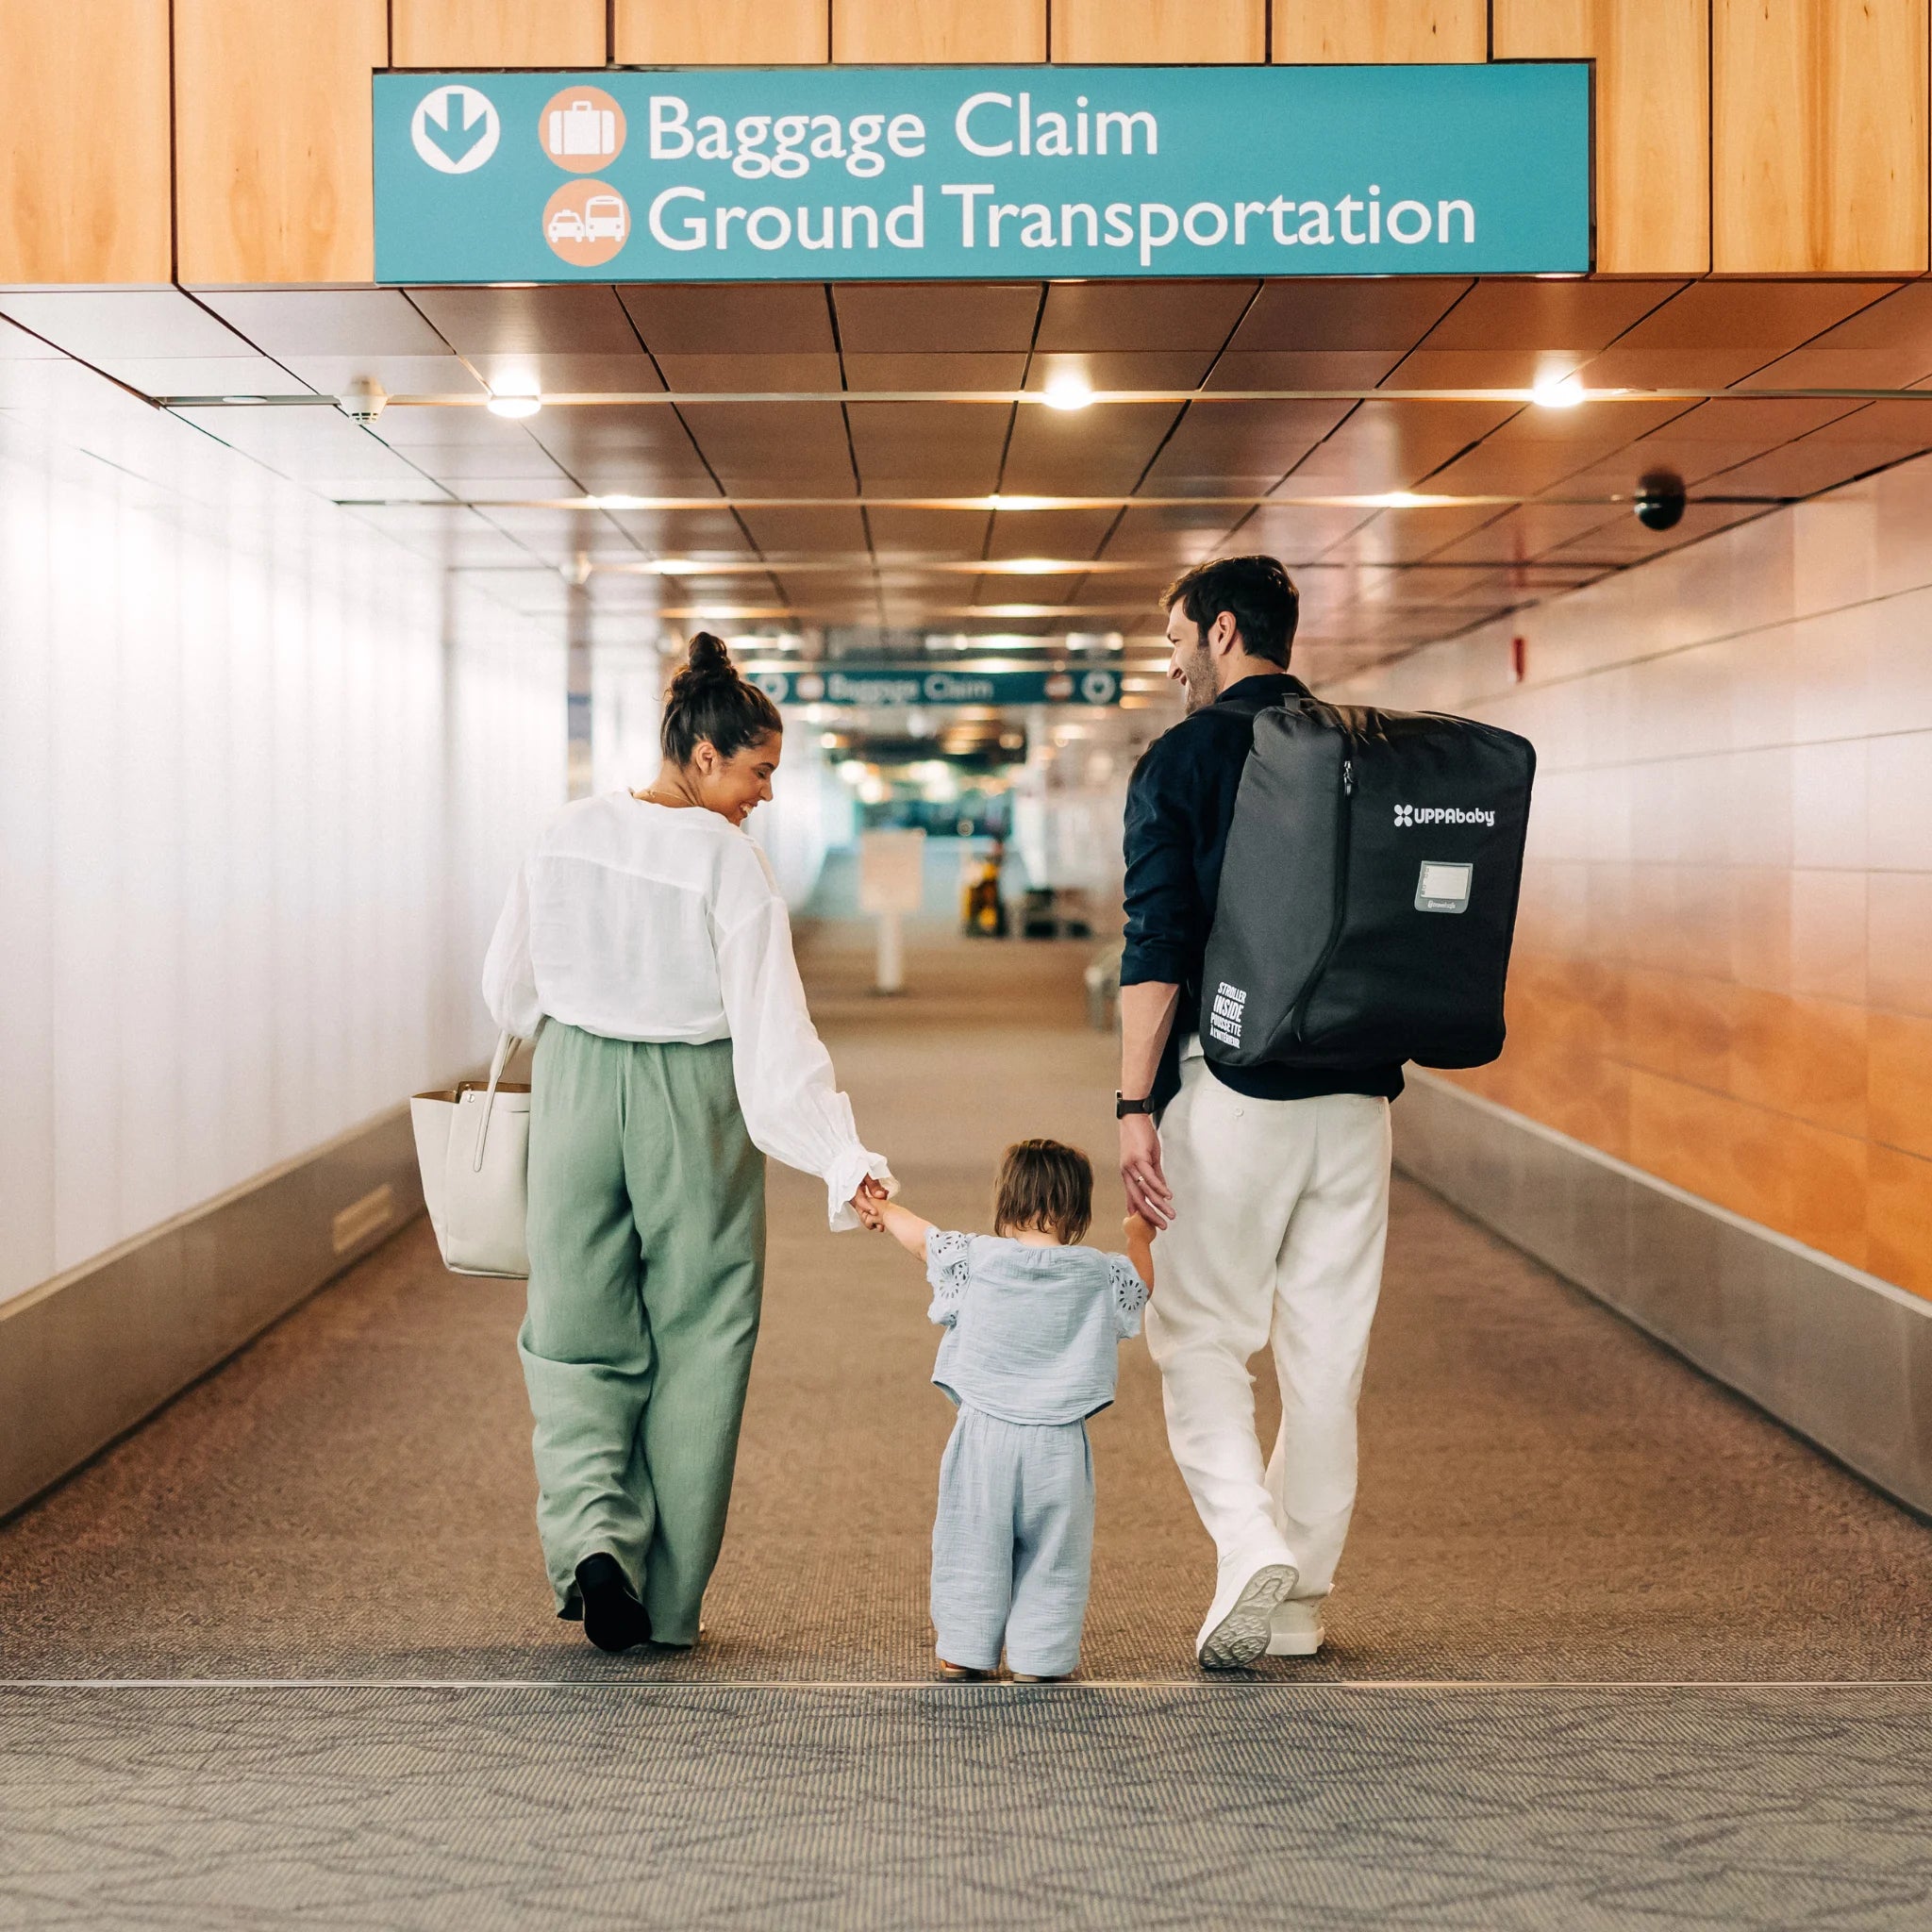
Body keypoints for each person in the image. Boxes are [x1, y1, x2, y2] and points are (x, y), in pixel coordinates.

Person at [482, 633, 892, 1655]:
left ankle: (592, 1541)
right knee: (702, 1331)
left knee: (573, 1327)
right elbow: (771, 1033)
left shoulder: (563, 830)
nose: (763, 792)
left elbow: (505, 989)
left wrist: (588, 1017)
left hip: (574, 1081)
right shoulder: (726, 859)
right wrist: (840, 1155)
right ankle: (663, 1604)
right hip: (692, 1096)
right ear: (702, 754)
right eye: (758, 770)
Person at [1115, 556, 1403, 1671]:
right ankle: (1301, 1599)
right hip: (1358, 1094)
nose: (1169, 653)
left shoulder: (1185, 757)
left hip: (1230, 1087)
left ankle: (1246, 1546)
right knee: (1325, 1350)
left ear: (1221, 630)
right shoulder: (1360, 750)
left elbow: (1155, 940)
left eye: (1174, 632)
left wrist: (1135, 1098)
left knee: (1197, 1332)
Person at [860, 1140, 1154, 1682]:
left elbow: (923, 1239)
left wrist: (882, 1207)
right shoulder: (1094, 1272)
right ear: (1079, 1211)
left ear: (1005, 1200)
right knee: (1055, 1555)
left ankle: (966, 1648)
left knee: (972, 1539)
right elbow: (1139, 1286)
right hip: (1059, 1444)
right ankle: (1041, 1657)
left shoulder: (977, 1256)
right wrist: (1139, 1235)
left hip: (984, 1436)